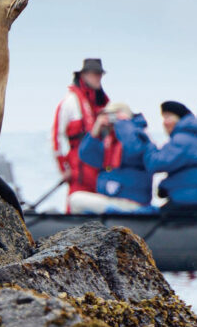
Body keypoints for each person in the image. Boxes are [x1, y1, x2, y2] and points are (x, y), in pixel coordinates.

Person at [69, 102, 153, 213]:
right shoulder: (111, 144)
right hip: (113, 199)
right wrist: (96, 129)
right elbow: (86, 155)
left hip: (131, 203)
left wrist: (123, 123)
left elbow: (134, 150)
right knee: (75, 199)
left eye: (112, 116)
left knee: (76, 199)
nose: (111, 121)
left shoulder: (140, 136)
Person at [143, 101, 197, 210]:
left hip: (193, 199)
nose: (165, 122)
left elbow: (155, 164)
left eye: (168, 117)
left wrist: (148, 144)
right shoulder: (194, 135)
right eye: (164, 118)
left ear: (179, 119)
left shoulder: (182, 139)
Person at [52, 58, 109, 205]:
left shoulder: (103, 102)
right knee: (76, 204)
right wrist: (63, 168)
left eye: (100, 74)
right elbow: (55, 138)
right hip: (78, 170)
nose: (98, 78)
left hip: (99, 169)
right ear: (83, 75)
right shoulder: (70, 102)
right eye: (94, 74)